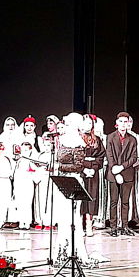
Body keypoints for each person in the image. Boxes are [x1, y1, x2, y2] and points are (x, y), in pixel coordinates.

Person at [54, 113, 97, 266]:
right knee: (63, 216)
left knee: (72, 216)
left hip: (73, 180)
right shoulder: (61, 140)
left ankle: (75, 250)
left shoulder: (79, 142)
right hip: (62, 179)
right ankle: (62, 251)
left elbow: (78, 166)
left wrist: (60, 166)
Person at [105, 112, 138, 236]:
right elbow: (109, 155)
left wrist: (122, 167)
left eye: (125, 122)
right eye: (121, 121)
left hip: (127, 173)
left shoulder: (132, 139)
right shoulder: (110, 137)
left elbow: (134, 157)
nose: (123, 124)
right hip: (113, 173)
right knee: (113, 201)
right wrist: (115, 169)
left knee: (125, 202)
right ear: (116, 123)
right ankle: (113, 227)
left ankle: (125, 226)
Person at [80, 116, 106, 237]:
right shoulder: (77, 138)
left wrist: (94, 168)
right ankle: (79, 225)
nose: (88, 125)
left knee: (91, 197)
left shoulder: (97, 140)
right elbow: (75, 157)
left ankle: (89, 224)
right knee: (80, 198)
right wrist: (84, 169)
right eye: (86, 123)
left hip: (93, 172)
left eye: (90, 123)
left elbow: (101, 156)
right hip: (81, 172)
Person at [12, 142, 41, 230]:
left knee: (27, 203)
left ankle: (27, 223)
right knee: (19, 203)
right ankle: (21, 222)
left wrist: (30, 175)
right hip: (19, 184)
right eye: (22, 150)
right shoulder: (19, 161)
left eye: (25, 150)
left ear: (30, 151)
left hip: (27, 184)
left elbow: (37, 173)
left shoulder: (31, 162)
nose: (23, 152)